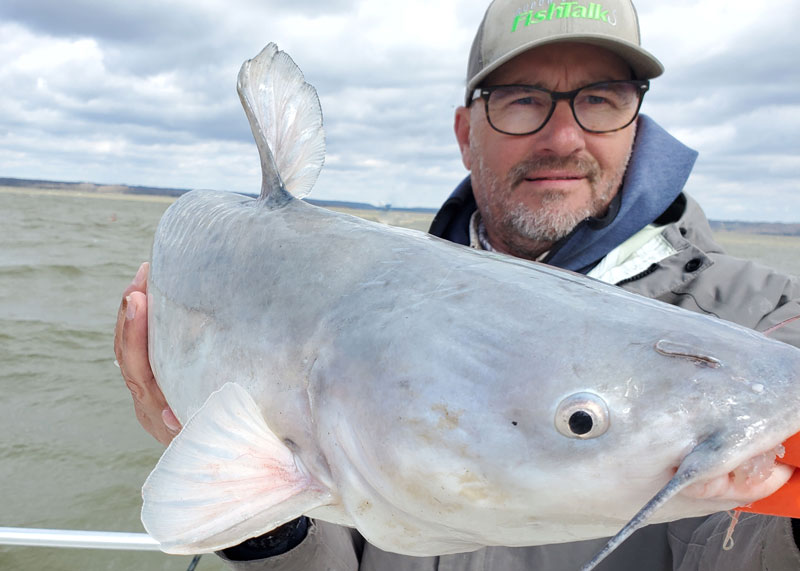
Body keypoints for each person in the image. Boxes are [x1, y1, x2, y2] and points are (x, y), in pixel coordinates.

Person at [114, 0, 800, 568]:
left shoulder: (766, 318)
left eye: (600, 98)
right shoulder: (380, 321)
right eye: (523, 100)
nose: (563, 136)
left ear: (637, 122)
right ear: (464, 132)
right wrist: (269, 527)